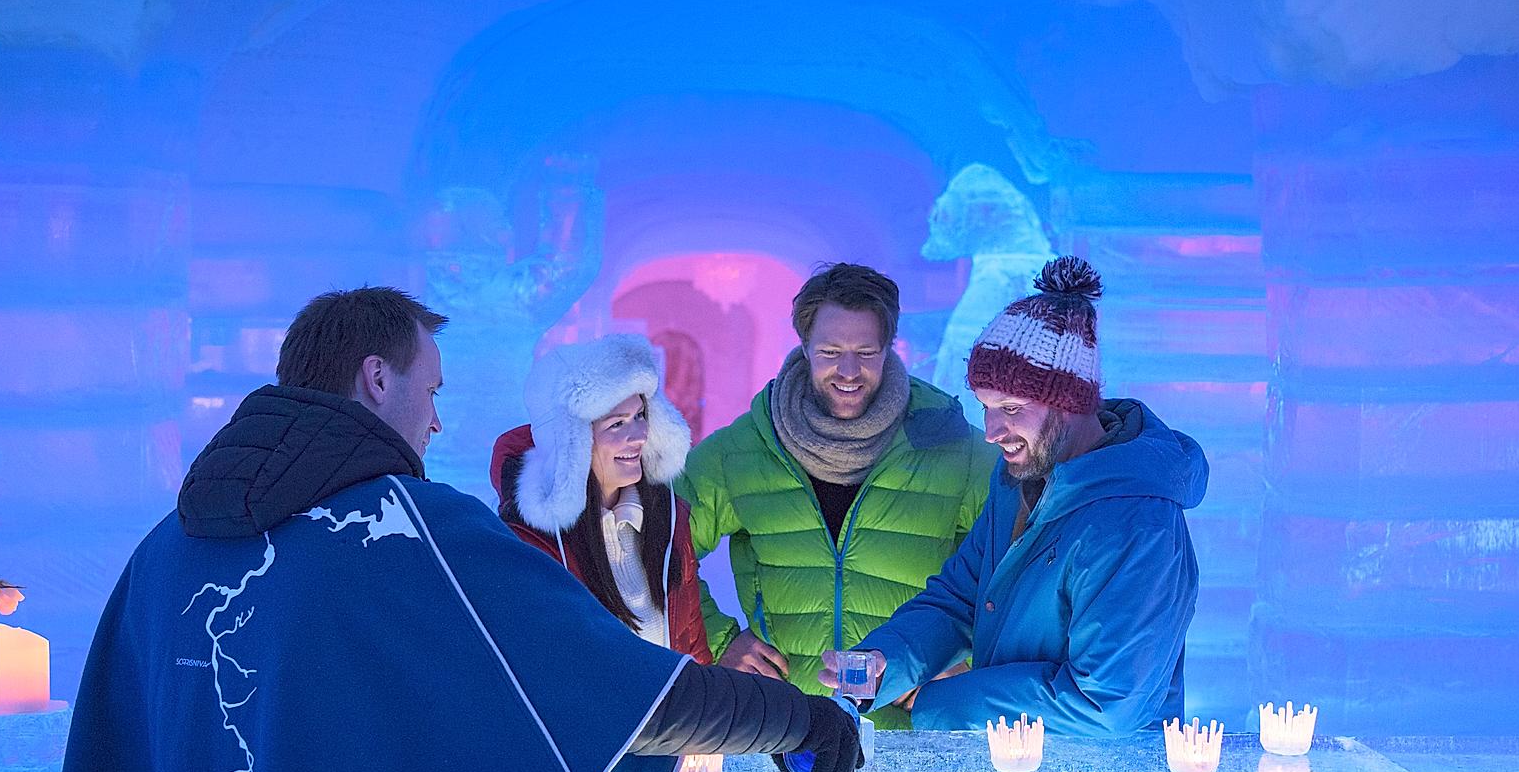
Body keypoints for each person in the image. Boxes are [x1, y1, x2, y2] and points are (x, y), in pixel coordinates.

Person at [43, 288, 859, 772]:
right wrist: (800, 719)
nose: (435, 419)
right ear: (374, 379)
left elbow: (119, 747)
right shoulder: (413, 530)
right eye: (430, 390)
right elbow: (624, 693)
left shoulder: (168, 549)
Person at [822, 257, 1205, 735]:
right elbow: (959, 600)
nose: (991, 431)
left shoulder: (1137, 524)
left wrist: (941, 703)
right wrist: (887, 661)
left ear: (1071, 405)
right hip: (1016, 771)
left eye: (1011, 408)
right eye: (985, 406)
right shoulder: (1020, 483)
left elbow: (1107, 704)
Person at [677, 263, 999, 727]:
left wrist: (963, 654)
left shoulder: (952, 449)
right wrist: (719, 640)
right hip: (784, 730)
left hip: (908, 743)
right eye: (830, 351)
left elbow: (1018, 563)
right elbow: (655, 543)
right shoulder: (743, 451)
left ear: (889, 349)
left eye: (866, 352)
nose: (849, 371)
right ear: (804, 347)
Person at [490, 334, 711, 659]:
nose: (639, 436)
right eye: (617, 424)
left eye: (640, 416)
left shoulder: (669, 520)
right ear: (571, 446)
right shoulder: (530, 546)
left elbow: (693, 653)